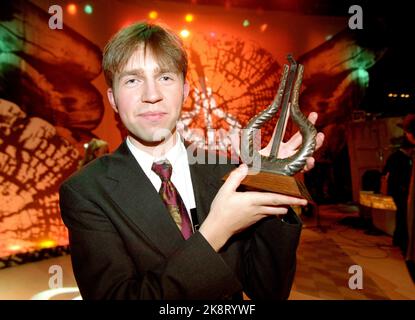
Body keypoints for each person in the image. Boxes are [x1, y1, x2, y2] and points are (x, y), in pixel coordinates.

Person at [59, 22, 324, 300]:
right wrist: (216, 232)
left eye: (165, 78)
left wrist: (270, 182)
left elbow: (268, 291)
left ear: (185, 91)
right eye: (132, 80)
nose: (152, 95)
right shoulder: (87, 191)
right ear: (113, 99)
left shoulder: (228, 173)